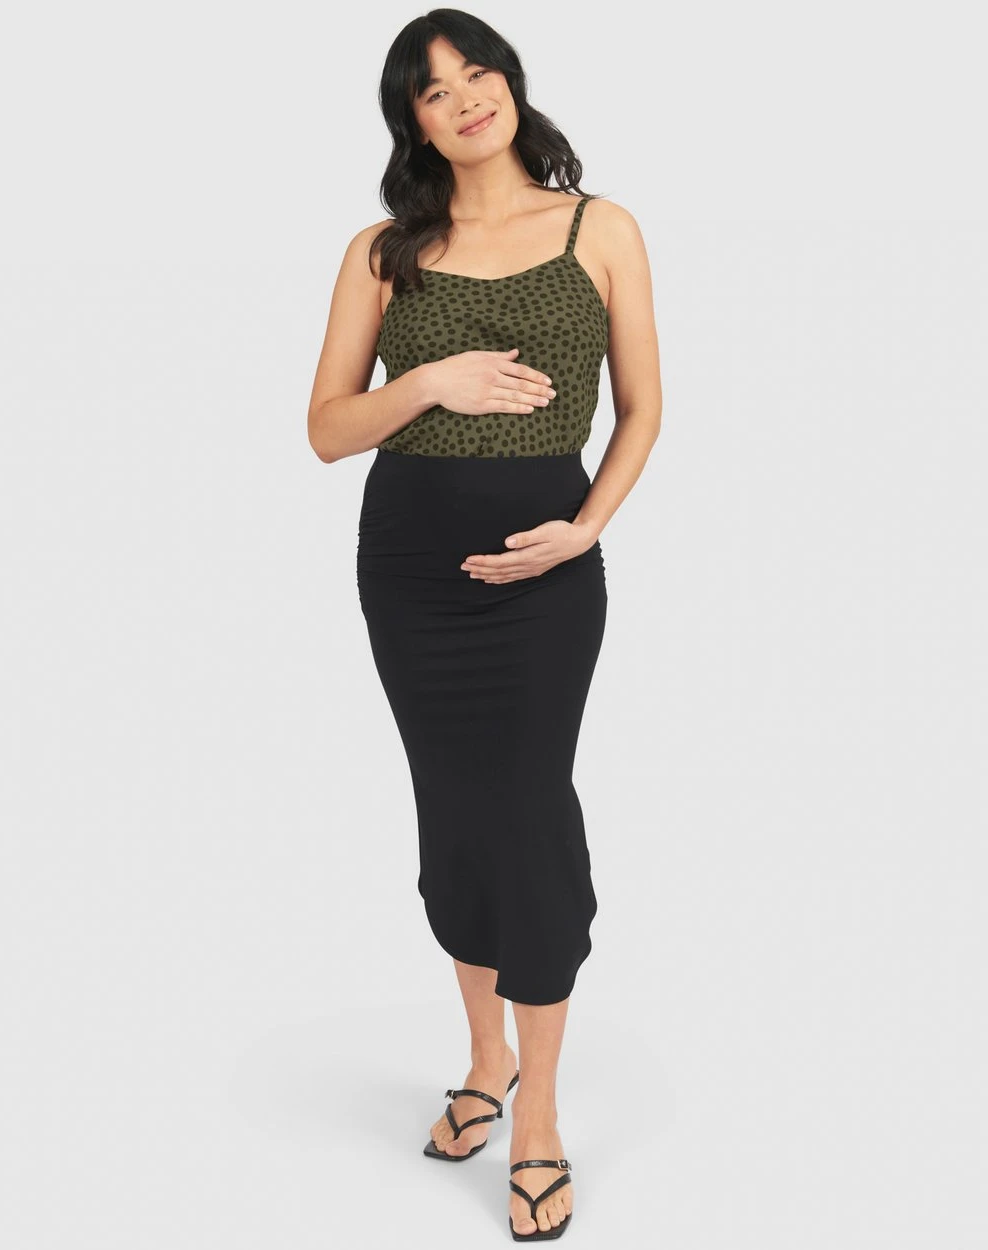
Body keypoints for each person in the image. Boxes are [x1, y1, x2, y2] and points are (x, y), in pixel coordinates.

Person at [307, 9, 661, 1241]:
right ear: (411, 121)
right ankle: (484, 1056)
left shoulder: (598, 228)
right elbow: (327, 427)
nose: (464, 97)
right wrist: (426, 383)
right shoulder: (381, 252)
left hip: (545, 573)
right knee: (454, 811)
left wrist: (586, 527)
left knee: (527, 814)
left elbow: (643, 407)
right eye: (433, 89)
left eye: (478, 72)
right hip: (409, 570)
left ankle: (541, 1110)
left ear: (510, 82)